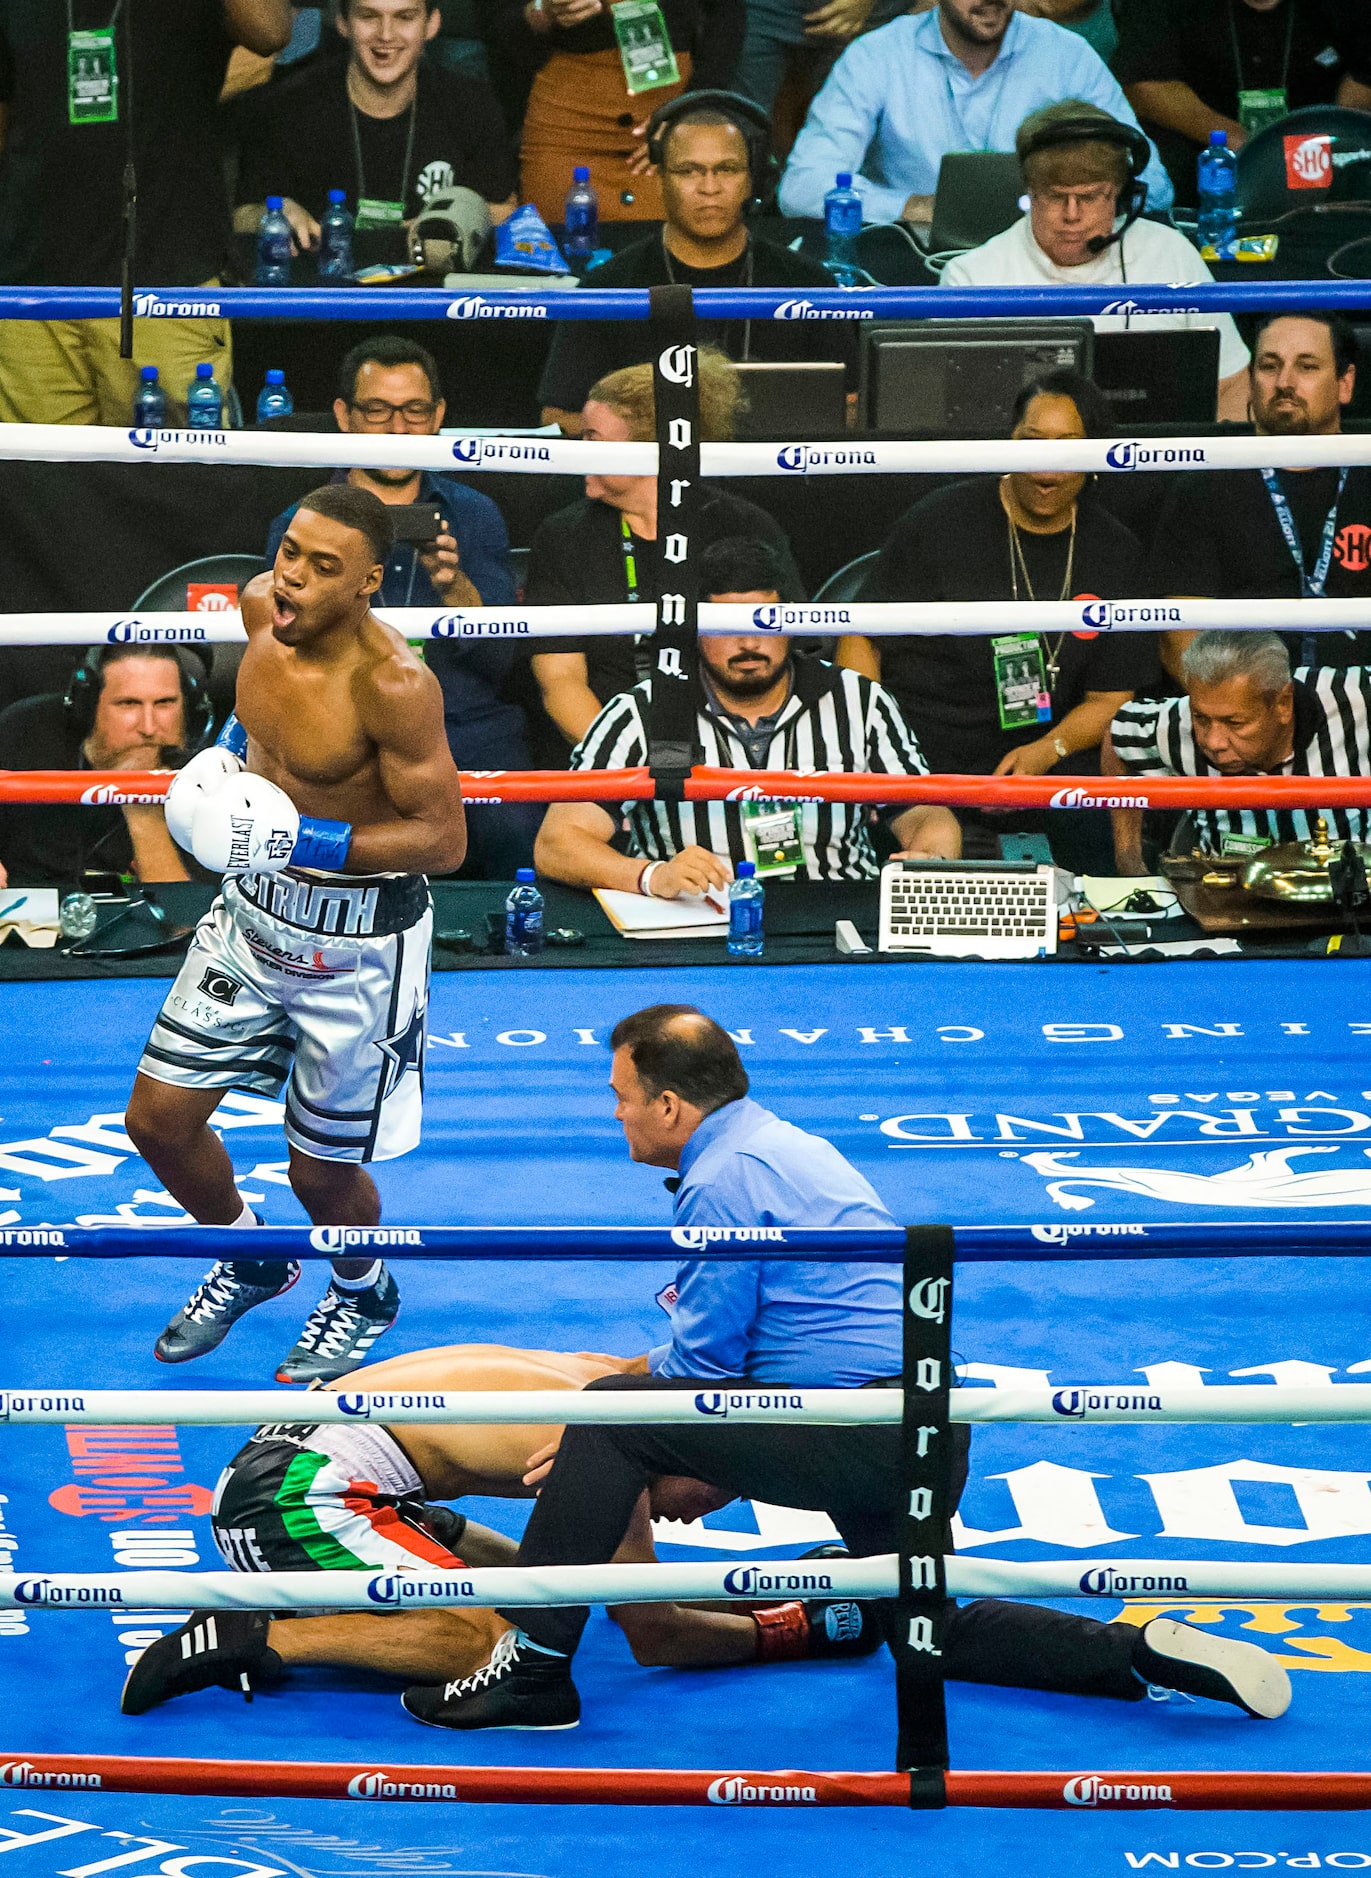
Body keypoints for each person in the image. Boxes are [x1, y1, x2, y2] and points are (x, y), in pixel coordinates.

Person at [390, 1004, 1293, 1730]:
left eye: (621, 1093)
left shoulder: (724, 1178)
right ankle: (1135, 1653)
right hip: (917, 1427)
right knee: (925, 1626)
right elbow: (747, 1343)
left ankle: (535, 1669)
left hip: (855, 1428)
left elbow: (704, 1365)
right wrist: (660, 1408)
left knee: (610, 1414)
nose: (615, 1111)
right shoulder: (780, 1146)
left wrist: (644, 1441)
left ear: (669, 1104)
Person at [123, 483, 466, 1384]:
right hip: (249, 915)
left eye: (323, 569)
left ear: (367, 586)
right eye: (290, 555)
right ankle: (249, 1254)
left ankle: (362, 1287)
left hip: (358, 945)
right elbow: (260, 729)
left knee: (319, 1177)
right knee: (156, 1122)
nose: (294, 581)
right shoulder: (253, 610)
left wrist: (303, 835)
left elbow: (444, 839)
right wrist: (224, 771)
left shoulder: (394, 685)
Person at [119, 1340, 879, 1715]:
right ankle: (255, 1636)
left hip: (310, 1480)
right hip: (301, 1498)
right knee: (497, 1648)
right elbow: (656, 1633)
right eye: (727, 1486)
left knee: (539, 1588)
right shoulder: (612, 1437)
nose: (701, 1508)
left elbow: (577, 1579)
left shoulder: (602, 1373)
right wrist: (803, 1628)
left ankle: (305, 1601)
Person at [839, 370, 1157, 875]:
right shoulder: (940, 522)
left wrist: (1045, 752)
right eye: (1032, 441)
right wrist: (877, 756)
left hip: (1046, 763)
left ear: (1097, 456)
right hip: (927, 759)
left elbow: (1112, 698)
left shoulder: (1115, 551)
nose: (1045, 463)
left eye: (1068, 445)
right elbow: (862, 637)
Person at [535, 534, 961, 899]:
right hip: (693, 916)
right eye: (725, 626)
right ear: (694, 629)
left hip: (836, 908)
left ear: (792, 621)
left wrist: (931, 859)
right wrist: (650, 876)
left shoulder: (858, 699)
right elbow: (557, 841)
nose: (748, 643)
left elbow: (925, 812)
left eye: (765, 622)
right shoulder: (643, 710)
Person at [267, 336, 536, 879]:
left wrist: (453, 583)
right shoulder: (302, 522)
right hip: (347, 729)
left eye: (414, 411)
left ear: (438, 416)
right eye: (378, 411)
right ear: (344, 416)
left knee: (515, 827)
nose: (397, 429)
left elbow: (501, 659)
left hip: (464, 724)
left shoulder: (475, 514)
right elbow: (287, 659)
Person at [0, 0, 293, 426]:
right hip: (34, 287)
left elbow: (270, 32)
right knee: (38, 484)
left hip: (166, 280)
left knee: (178, 485)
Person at [528, 356, 804, 756]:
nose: (578, 452)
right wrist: (628, 769)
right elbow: (561, 682)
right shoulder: (563, 536)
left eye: (592, 438)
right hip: (612, 754)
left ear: (652, 447)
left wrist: (729, 763)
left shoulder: (744, 524)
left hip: (735, 752)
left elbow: (782, 660)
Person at [537, 93, 848, 434]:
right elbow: (557, 416)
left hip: (779, 477)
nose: (710, 188)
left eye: (727, 169)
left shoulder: (809, 283)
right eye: (689, 171)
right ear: (659, 180)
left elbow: (851, 406)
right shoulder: (605, 288)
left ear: (752, 179)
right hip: (649, 478)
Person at [942, 102, 1250, 423]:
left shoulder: (1172, 254)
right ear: (1030, 193)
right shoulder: (970, 279)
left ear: (1120, 195)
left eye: (1089, 197)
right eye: (1055, 196)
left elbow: (1232, 385)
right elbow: (950, 414)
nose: (1071, 215)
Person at [777, 0, 1172, 226]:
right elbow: (802, 187)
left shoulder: (1066, 55)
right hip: (918, 263)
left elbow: (1152, 182)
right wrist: (912, 206)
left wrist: (1064, 205)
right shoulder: (877, 55)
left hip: (1046, 258)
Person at [1145, 312, 1371, 678]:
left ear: (1345, 383)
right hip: (1242, 713)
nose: (1284, 383)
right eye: (1269, 366)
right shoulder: (1204, 485)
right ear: (1250, 381)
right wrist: (1243, 718)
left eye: (1307, 367)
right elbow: (1180, 638)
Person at [234, 0, 516, 262]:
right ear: (343, 22)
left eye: (405, 17)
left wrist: (441, 223)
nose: (386, 34)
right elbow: (241, 215)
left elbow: (503, 210)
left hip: (433, 290)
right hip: (319, 291)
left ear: (432, 25)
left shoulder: (470, 104)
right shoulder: (287, 106)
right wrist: (274, 213)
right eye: (369, 16)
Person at [1105, 628, 1371, 873]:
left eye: (1235, 723)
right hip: (1226, 903)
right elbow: (1117, 737)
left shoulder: (1355, 699)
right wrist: (1129, 863)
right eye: (1201, 718)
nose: (1214, 742)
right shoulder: (1175, 724)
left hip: (1348, 903)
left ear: (1283, 703)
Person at [488, 0, 743, 226]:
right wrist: (546, 10)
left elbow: (727, 16)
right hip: (568, 127)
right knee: (563, 256)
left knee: (670, 261)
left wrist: (691, 110)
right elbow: (499, 28)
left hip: (670, 115)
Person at [0, 648, 211, 890]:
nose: (149, 727)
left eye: (165, 703)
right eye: (128, 704)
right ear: (87, 708)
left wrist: (142, 807)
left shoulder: (206, 772)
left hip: (147, 925)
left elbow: (184, 921)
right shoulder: (24, 732)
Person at [1116, 0, 1371, 179]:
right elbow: (1143, 84)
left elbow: (1362, 79)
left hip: (1319, 145)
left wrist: (1322, 143)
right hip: (1205, 153)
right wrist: (1247, 145)